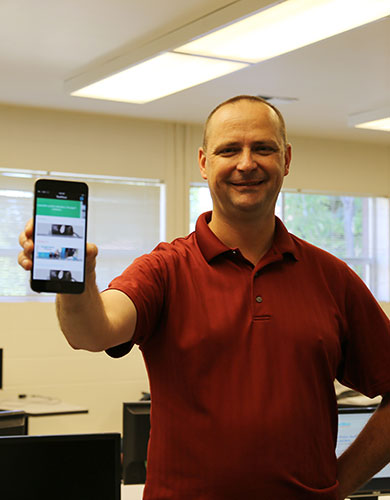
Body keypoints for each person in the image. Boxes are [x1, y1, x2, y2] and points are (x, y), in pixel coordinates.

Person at [18, 95, 390, 500]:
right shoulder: (165, 269)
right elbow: (93, 332)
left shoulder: (331, 277)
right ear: (203, 162)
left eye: (262, 148)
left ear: (285, 159)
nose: (246, 163)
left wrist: (340, 485)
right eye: (229, 149)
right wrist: (76, 282)